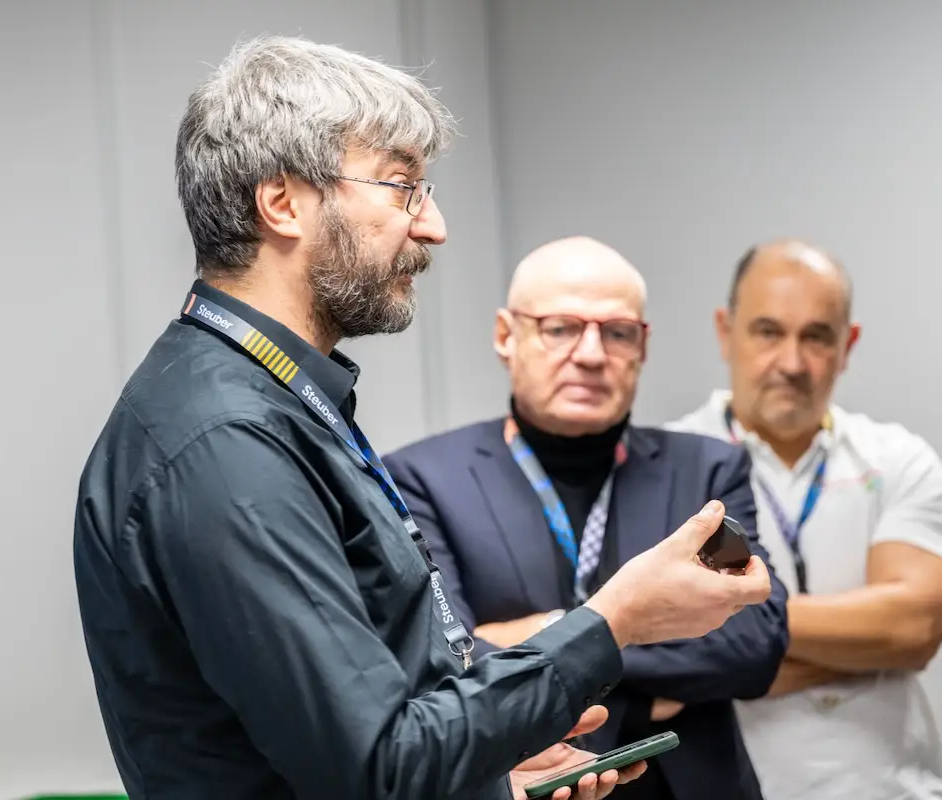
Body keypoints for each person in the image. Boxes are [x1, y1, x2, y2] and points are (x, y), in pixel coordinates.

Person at [72, 35, 772, 800]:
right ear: (282, 202)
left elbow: (374, 729)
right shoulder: (226, 442)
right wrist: (616, 619)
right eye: (402, 187)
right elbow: (382, 770)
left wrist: (487, 774)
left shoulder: (275, 404)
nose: (433, 225)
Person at [382, 236, 789, 800]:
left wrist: (534, 635)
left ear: (642, 346)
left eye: (618, 332)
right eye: (561, 328)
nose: (592, 354)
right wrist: (644, 681)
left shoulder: (706, 470)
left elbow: (755, 646)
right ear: (506, 336)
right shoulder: (420, 479)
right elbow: (450, 664)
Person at [668, 239, 942, 799]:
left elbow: (913, 629)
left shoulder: (899, 459)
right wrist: (866, 648)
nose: (792, 363)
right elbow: (657, 660)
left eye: (816, 336)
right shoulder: (667, 464)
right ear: (725, 331)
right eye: (768, 332)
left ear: (848, 344)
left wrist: (732, 632)